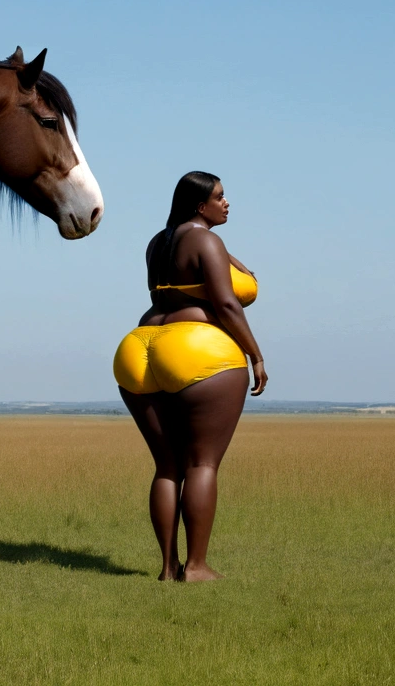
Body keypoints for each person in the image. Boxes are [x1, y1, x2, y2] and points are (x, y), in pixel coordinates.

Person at [112, 171, 266, 581]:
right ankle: (195, 567)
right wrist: (256, 355)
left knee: (167, 466)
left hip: (138, 346)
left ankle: (167, 568)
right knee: (202, 464)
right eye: (219, 196)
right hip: (194, 346)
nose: (227, 202)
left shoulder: (157, 243)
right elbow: (228, 304)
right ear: (201, 205)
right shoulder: (207, 242)